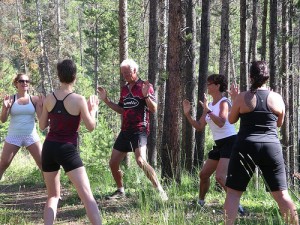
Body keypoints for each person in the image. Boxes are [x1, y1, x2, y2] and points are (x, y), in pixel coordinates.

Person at [224, 61, 299, 225]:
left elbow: (231, 119)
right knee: (282, 195)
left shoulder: (243, 97)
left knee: (233, 194)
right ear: (267, 77)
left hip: (246, 145)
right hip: (271, 146)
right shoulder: (277, 98)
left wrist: (235, 99)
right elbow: (279, 123)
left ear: (250, 77)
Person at [38, 59, 102, 225]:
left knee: (52, 195)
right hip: (67, 149)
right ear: (75, 76)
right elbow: (91, 127)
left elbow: (42, 125)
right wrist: (93, 109)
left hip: (49, 148)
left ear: (59, 76)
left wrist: (42, 107)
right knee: (87, 196)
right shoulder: (79, 99)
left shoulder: (49, 99)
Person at [97, 59, 168, 201]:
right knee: (113, 163)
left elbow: (153, 109)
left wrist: (146, 95)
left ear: (135, 71)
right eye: (123, 73)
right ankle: (120, 190)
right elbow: (122, 109)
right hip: (125, 131)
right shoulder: (124, 89)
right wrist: (106, 101)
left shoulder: (144, 86)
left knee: (140, 160)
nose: (125, 75)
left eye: (127, 72)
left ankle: (160, 190)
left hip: (139, 129)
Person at [183, 74, 243, 213]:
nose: (207, 86)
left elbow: (222, 122)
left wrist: (208, 111)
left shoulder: (224, 102)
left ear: (217, 86)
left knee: (220, 177)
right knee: (204, 175)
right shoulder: (209, 105)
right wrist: (187, 115)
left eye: (210, 83)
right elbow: (199, 126)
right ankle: (201, 202)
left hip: (230, 142)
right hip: (219, 144)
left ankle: (237, 205)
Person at [0, 73, 42, 181]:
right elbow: (3, 120)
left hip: (31, 135)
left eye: (27, 81)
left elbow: (42, 120)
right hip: (14, 136)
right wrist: (5, 108)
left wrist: (42, 105)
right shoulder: (10, 99)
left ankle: (54, 192)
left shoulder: (35, 99)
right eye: (22, 81)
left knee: (43, 163)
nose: (25, 83)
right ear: (16, 83)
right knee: (4, 164)